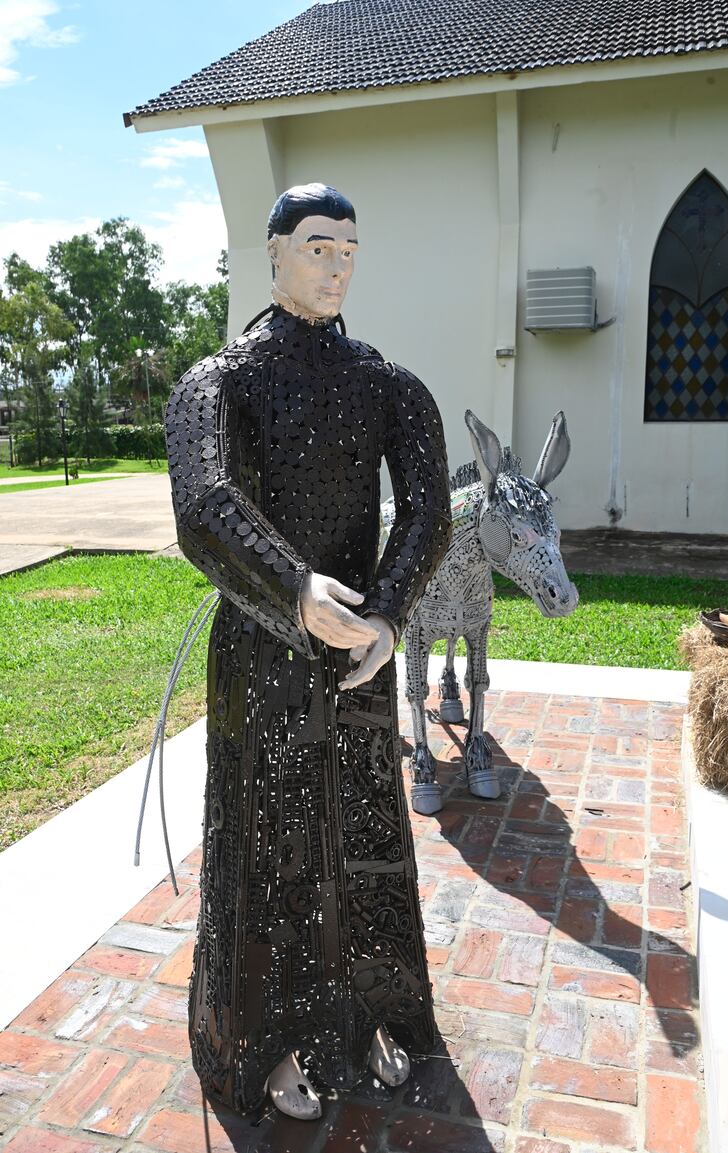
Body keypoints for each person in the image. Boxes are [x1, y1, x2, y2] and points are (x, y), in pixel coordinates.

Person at [164, 183, 453, 1119]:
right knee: (269, 840)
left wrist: (390, 613)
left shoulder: (387, 384)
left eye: (349, 249)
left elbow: (429, 509)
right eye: (319, 245)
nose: (336, 265)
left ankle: (365, 1010)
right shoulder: (222, 381)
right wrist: (292, 587)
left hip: (359, 655)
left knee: (365, 835)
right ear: (276, 252)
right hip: (262, 653)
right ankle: (267, 1036)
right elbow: (205, 504)